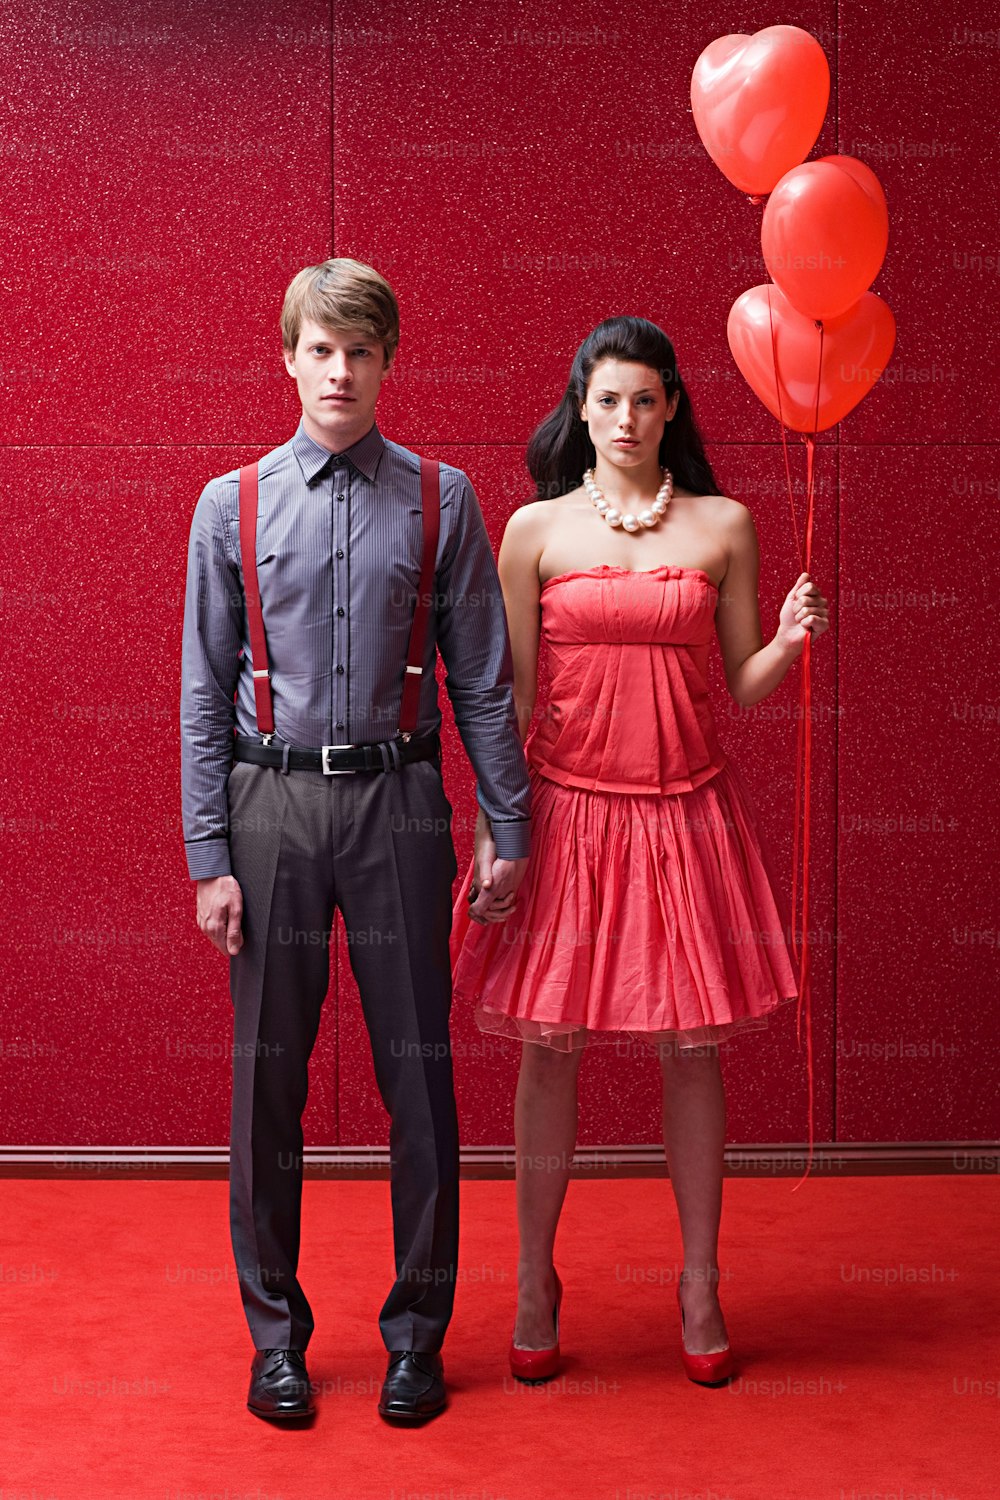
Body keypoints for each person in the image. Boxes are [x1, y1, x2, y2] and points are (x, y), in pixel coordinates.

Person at [179, 257, 531, 1424]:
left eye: (360, 350)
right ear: (288, 357)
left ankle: (417, 1337)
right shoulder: (227, 504)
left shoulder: (446, 498)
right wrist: (209, 855)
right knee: (265, 1089)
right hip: (269, 808)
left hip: (402, 809)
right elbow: (202, 690)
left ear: (387, 361)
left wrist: (505, 824)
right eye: (320, 349)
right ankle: (273, 1338)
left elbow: (482, 681)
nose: (339, 369)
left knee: (418, 1084)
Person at [449, 315, 829, 1387]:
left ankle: (700, 1282)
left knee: (693, 1050)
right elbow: (510, 699)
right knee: (548, 1049)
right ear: (581, 407)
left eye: (646, 400)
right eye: (607, 399)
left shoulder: (724, 525)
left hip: (685, 816)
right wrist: (493, 824)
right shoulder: (531, 530)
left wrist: (788, 645)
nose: (626, 418)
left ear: (672, 409)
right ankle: (533, 1279)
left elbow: (741, 685)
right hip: (566, 816)